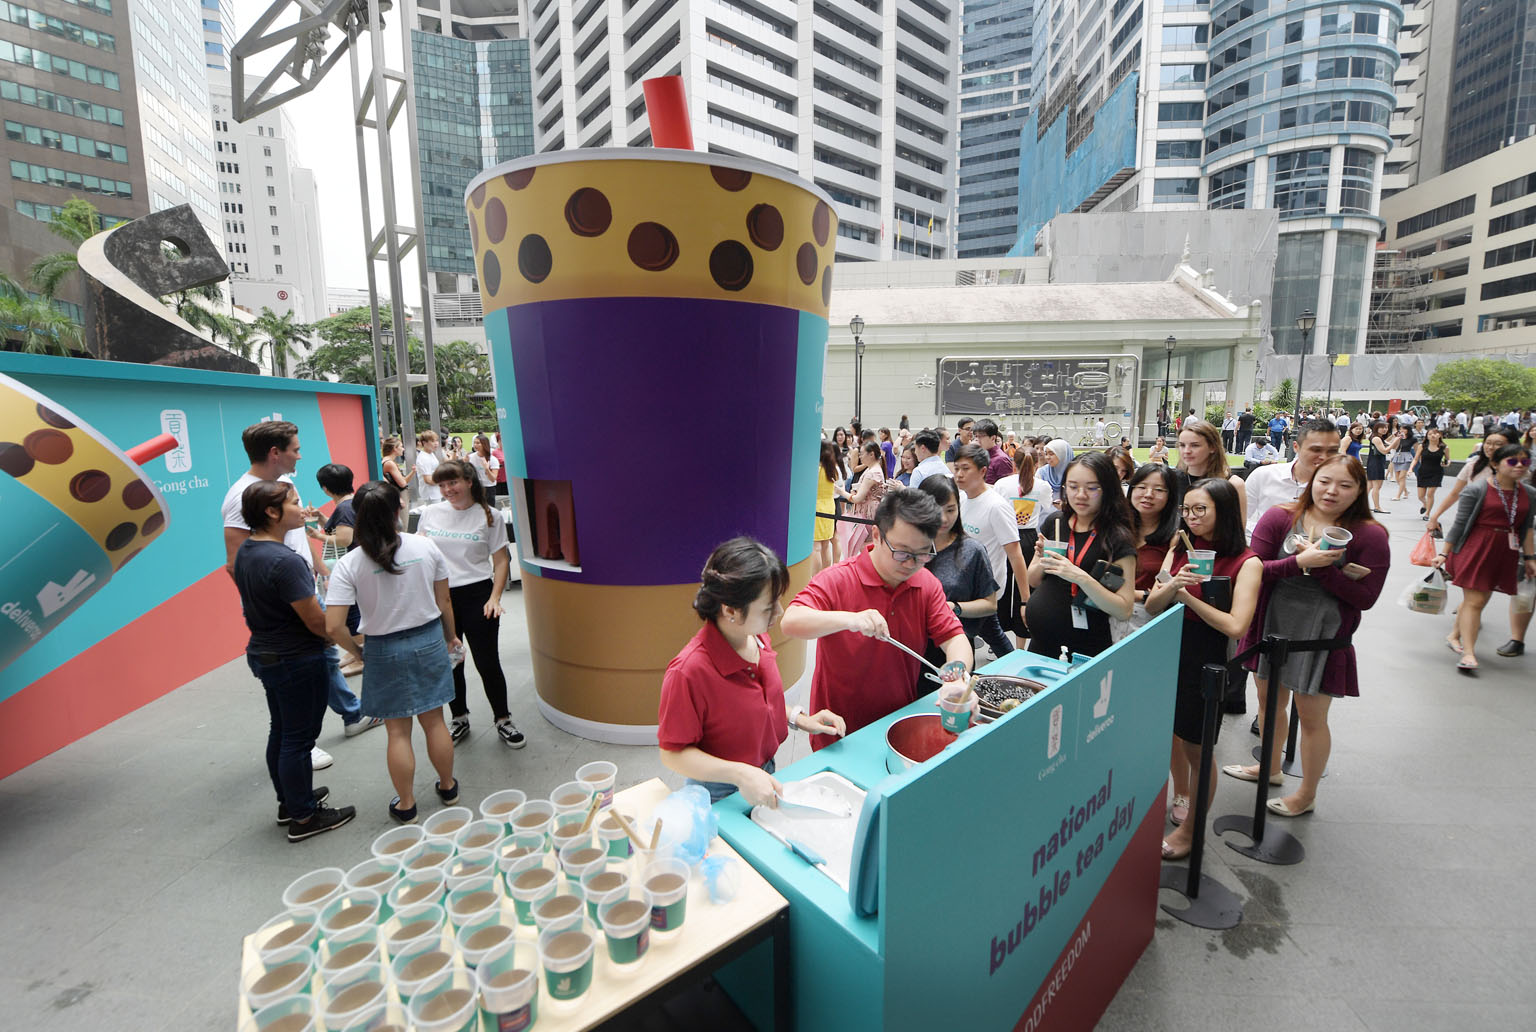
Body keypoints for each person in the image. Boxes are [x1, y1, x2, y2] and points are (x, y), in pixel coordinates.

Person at [1225, 455, 1390, 818]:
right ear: (1310, 480)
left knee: (1312, 716)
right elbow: (1253, 570)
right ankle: (1269, 767)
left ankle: (1307, 793)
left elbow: (1367, 598)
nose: (1332, 491)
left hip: (1323, 635)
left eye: (1345, 485)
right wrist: (1299, 563)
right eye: (1324, 481)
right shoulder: (1281, 516)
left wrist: (1325, 571)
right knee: (1269, 703)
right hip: (1272, 623)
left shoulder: (1370, 534)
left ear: (1360, 490)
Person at [222, 421, 375, 771]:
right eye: (295, 448)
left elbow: (297, 533)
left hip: (302, 586)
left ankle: (351, 715)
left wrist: (318, 567)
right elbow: (236, 563)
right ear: (275, 453)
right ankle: (303, 746)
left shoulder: (284, 484)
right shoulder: (240, 496)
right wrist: (269, 613)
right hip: (284, 606)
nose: (300, 455)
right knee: (299, 675)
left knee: (322, 656)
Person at [658, 538, 846, 804]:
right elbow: (672, 753)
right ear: (731, 610)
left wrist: (801, 718)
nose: (779, 612)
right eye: (769, 607)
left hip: (762, 773)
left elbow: (755, 704)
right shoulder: (688, 671)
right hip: (719, 791)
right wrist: (739, 774)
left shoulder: (755, 638)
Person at [781, 490, 973, 749]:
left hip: (897, 723)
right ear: (876, 536)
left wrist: (957, 677)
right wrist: (850, 619)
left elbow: (954, 638)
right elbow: (791, 621)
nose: (911, 564)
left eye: (923, 554)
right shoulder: (839, 579)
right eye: (902, 552)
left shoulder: (926, 584)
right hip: (838, 729)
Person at [326, 481, 462, 823]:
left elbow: (333, 626)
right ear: (397, 510)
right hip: (429, 640)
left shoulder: (350, 563)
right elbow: (443, 600)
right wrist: (451, 637)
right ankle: (448, 787)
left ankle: (406, 804)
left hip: (382, 648)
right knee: (435, 721)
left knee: (397, 731)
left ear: (357, 516)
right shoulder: (425, 546)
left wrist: (357, 652)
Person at [232, 480, 358, 842]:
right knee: (299, 740)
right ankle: (304, 816)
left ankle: (291, 801)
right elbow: (318, 622)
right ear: (272, 512)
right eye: (294, 502)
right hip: (297, 659)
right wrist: (354, 646)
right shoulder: (285, 562)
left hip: (267, 653)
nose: (302, 508)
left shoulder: (248, 551)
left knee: (283, 731)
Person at [1146, 478, 1260, 859]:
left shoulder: (1248, 561)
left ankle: (1192, 831)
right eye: (1187, 510)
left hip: (1206, 662)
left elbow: (1235, 626)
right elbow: (1152, 606)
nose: (1191, 517)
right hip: (1167, 654)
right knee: (1170, 739)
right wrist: (1173, 585)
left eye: (1201, 510)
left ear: (1223, 511)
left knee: (1199, 750)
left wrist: (1184, 597)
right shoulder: (1184, 549)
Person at [417, 459, 522, 747]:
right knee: (451, 662)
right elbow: (419, 553)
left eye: (452, 483)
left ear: (469, 481)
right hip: (440, 598)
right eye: (442, 485)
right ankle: (459, 717)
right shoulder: (430, 513)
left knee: (487, 662)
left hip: (477, 597)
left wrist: (494, 598)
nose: (447, 490)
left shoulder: (489, 516)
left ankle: (503, 719)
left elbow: (501, 561)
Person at [1024, 451, 1137, 659]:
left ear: (1108, 489)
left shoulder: (1117, 538)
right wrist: (1043, 560)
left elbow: (1124, 609)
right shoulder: (1056, 522)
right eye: (1073, 487)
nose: (1081, 495)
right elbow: (1033, 579)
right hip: (1040, 645)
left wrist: (1078, 576)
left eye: (1092, 488)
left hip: (1086, 651)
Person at [1436, 444, 1536, 675]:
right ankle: (1469, 653)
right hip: (1475, 548)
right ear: (1495, 464)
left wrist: (1530, 558)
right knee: (1476, 601)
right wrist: (1444, 553)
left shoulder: (1529, 494)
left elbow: (1527, 528)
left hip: (1506, 551)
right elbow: (1459, 524)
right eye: (1512, 461)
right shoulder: (1478, 489)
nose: (1520, 466)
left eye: (1525, 462)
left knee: (1481, 598)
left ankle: (1454, 634)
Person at [916, 477, 1006, 667]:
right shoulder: (910, 547)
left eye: (950, 510)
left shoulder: (972, 551)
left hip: (956, 646)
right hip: (913, 648)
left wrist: (954, 607)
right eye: (935, 509)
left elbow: (990, 605)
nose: (943, 518)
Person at [952, 444, 1025, 658]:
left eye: (965, 469)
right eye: (956, 468)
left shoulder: (996, 506)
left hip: (985, 589)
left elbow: (1015, 555)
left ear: (983, 471)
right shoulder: (963, 499)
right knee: (978, 635)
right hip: (964, 584)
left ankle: (1013, 674)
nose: (959, 474)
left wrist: (1025, 600)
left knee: (989, 636)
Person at [991, 447, 1055, 644]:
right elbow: (1047, 506)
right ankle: (1020, 644)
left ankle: (997, 639)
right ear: (1037, 465)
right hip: (1028, 538)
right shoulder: (1043, 486)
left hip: (1005, 535)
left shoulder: (1002, 484)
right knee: (1024, 590)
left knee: (1001, 585)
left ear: (1013, 464)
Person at [1245, 420, 1341, 536]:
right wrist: (1266, 533)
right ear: (1296, 447)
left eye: (1332, 451)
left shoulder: (1342, 488)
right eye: (1316, 450)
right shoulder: (1263, 476)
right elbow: (1240, 519)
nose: (1324, 457)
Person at [315, 463, 363, 676]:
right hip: (357, 565)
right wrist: (321, 519)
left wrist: (318, 536)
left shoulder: (343, 507)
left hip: (350, 567)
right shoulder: (351, 503)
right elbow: (343, 528)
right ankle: (356, 652)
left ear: (325, 488)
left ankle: (362, 655)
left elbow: (344, 538)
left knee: (351, 613)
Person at [1176, 419, 1247, 527]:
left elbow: (1238, 532)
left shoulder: (1233, 484)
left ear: (1212, 447)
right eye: (1182, 445)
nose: (1186, 451)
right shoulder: (1171, 480)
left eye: (1195, 445)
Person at [841, 440, 888, 557]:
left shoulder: (873, 472)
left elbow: (857, 498)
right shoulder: (872, 469)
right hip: (868, 510)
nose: (860, 456)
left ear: (871, 454)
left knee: (866, 545)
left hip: (868, 512)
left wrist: (841, 491)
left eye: (861, 454)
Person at [813, 441, 845, 573]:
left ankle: (815, 578)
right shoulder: (834, 470)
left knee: (816, 547)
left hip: (817, 508)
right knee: (826, 545)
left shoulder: (815, 470)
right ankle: (825, 575)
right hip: (830, 507)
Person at [1413, 427, 1448, 520]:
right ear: (1427, 436)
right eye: (1430, 434)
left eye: (1435, 433)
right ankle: (1425, 504)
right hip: (1423, 471)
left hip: (1437, 472)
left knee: (1430, 494)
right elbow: (1416, 458)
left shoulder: (1444, 447)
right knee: (1420, 496)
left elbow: (1448, 459)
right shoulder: (1422, 446)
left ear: (1439, 435)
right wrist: (1410, 469)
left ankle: (1427, 513)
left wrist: (1447, 463)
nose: (1433, 435)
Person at [1365, 420, 1398, 513]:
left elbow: (1392, 446)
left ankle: (1361, 505)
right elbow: (1384, 450)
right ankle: (1377, 507)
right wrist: (1395, 440)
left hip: (1376, 462)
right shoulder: (1376, 438)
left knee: (1370, 486)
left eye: (1386, 428)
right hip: (1376, 463)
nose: (1385, 430)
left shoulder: (1379, 438)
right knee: (1377, 486)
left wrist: (1396, 438)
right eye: (1382, 427)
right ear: (1377, 428)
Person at [973, 418, 1014, 484]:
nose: (977, 440)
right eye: (975, 436)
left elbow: (1006, 488)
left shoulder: (1001, 459)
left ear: (993, 438)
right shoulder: (979, 454)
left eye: (980, 436)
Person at [1391, 418, 1418, 501]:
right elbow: (1394, 447)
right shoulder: (1398, 437)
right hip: (1397, 456)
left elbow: (1417, 450)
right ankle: (1405, 491)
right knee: (1398, 478)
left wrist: (1417, 459)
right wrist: (1396, 438)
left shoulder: (1413, 439)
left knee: (1402, 477)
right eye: (1401, 429)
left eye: (1404, 429)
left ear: (1408, 430)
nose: (1402, 430)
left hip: (1406, 457)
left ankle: (1398, 496)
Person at [415, 430, 444, 503]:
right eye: (433, 441)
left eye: (437, 441)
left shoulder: (430, 454)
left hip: (435, 492)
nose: (436, 443)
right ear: (424, 443)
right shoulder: (424, 458)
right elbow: (428, 480)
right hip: (431, 494)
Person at [490, 433, 509, 499]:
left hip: (509, 479)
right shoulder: (495, 452)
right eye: (501, 440)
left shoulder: (510, 451)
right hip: (500, 480)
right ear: (498, 442)